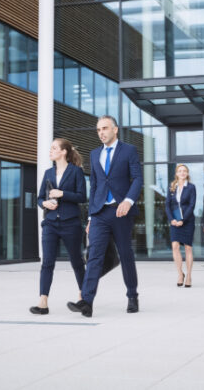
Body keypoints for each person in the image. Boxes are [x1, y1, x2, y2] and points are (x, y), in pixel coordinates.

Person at [68, 115, 142, 317]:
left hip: (121, 211)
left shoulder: (129, 150)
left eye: (105, 128)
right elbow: (95, 186)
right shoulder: (94, 154)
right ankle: (87, 302)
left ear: (115, 129)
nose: (101, 132)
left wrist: (128, 201)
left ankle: (132, 295)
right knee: (93, 256)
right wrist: (91, 217)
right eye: (98, 129)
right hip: (100, 213)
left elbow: (137, 178)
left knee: (126, 254)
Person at [30, 138, 86, 315]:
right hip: (51, 223)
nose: (50, 151)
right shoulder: (47, 173)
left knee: (76, 261)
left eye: (54, 148)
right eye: (51, 148)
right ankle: (43, 302)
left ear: (64, 152)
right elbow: (39, 198)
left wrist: (63, 193)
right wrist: (45, 204)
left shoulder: (76, 172)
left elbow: (82, 196)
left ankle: (84, 297)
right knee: (47, 263)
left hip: (71, 223)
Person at [166, 164, 196, 288]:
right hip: (174, 221)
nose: (182, 173)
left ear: (187, 173)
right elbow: (167, 204)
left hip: (187, 221)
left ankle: (188, 275)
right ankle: (180, 274)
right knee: (175, 246)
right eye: (180, 171)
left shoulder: (191, 187)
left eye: (184, 171)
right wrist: (172, 219)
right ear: (177, 174)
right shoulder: (171, 187)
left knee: (188, 248)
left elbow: (192, 205)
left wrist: (183, 220)